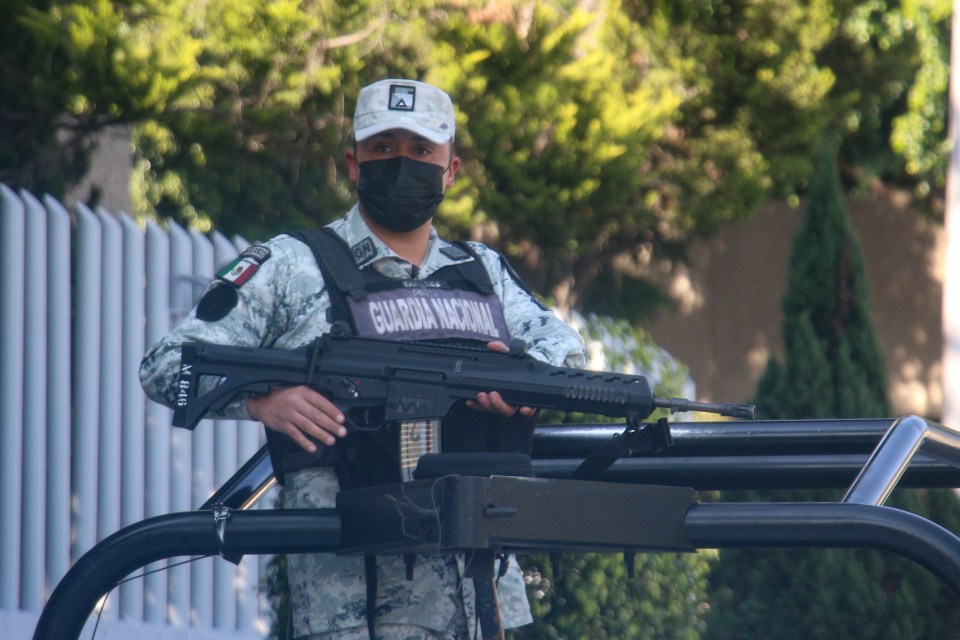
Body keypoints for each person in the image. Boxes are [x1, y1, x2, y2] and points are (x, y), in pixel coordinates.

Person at [140, 78, 587, 640]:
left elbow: (564, 350)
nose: (402, 165)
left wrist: (520, 381)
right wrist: (263, 401)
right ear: (353, 165)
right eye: (383, 149)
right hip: (351, 599)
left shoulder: (482, 273)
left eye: (421, 151)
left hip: (478, 593)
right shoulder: (292, 266)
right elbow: (167, 364)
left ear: (451, 170)